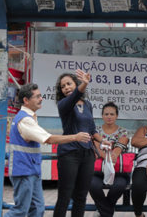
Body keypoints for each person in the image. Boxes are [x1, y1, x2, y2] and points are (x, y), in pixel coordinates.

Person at [5, 83, 91, 217]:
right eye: (37, 96)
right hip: (23, 170)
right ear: (26, 101)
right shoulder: (25, 120)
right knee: (21, 210)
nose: (41, 99)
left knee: (38, 209)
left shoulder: (30, 117)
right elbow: (49, 139)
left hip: (32, 170)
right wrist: (76, 137)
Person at [53, 69, 111, 217]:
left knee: (81, 196)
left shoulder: (87, 105)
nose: (66, 87)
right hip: (69, 154)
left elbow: (91, 129)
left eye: (69, 84)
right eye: (63, 86)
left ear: (75, 83)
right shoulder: (64, 104)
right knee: (65, 196)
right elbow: (75, 96)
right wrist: (84, 83)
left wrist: (102, 140)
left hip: (87, 155)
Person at [89, 102, 130, 217]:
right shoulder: (95, 131)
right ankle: (107, 212)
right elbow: (97, 148)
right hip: (98, 170)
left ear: (116, 116)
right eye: (106, 114)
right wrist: (108, 157)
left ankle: (102, 211)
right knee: (92, 185)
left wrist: (114, 155)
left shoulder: (123, 131)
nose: (109, 116)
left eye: (112, 114)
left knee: (119, 186)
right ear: (102, 116)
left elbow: (120, 146)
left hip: (118, 171)